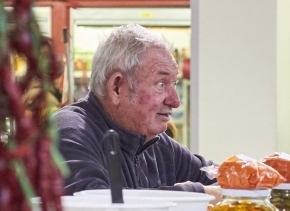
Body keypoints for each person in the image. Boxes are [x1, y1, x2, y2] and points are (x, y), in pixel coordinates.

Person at [54, 24, 219, 200]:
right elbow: (97, 205)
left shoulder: (158, 145)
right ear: (117, 87)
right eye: (161, 84)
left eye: (174, 84)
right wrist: (197, 194)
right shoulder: (68, 132)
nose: (175, 101)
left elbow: (218, 179)